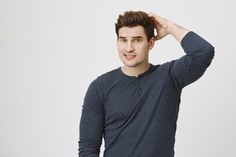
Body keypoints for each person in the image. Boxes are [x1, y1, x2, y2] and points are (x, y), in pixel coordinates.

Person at [78, 11, 215, 157]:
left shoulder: (169, 77)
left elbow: (203, 52)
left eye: (137, 40)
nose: (129, 48)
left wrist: (169, 27)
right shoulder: (100, 87)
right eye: (123, 40)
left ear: (151, 43)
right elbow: (88, 148)